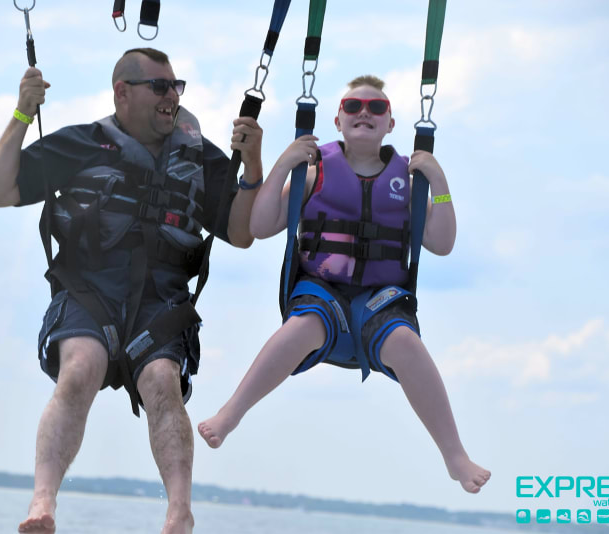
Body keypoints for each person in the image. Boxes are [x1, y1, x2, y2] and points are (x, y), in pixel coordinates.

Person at [0, 48, 263, 534]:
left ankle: (179, 513)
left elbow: (240, 233)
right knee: (78, 369)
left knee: (162, 383)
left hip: (162, 300)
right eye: (160, 86)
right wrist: (23, 112)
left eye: (177, 87)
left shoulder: (198, 156)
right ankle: (42, 503)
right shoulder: (83, 144)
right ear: (122, 92)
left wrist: (253, 164)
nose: (172, 96)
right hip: (90, 291)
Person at [198, 75, 490, 494]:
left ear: (391, 123)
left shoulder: (408, 181)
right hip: (322, 292)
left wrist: (439, 184)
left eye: (376, 108)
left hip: (381, 302)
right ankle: (231, 413)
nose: (364, 114)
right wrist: (284, 162)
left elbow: (442, 243)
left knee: (407, 343)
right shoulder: (314, 171)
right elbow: (261, 227)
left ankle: (454, 455)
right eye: (353, 107)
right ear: (338, 120)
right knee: (300, 328)